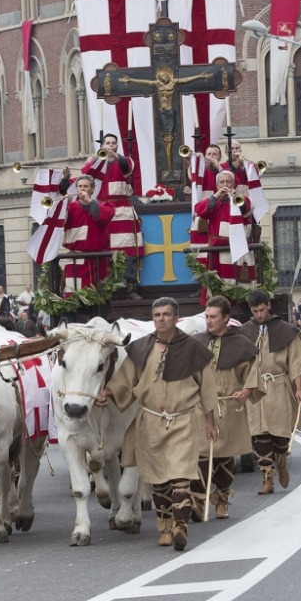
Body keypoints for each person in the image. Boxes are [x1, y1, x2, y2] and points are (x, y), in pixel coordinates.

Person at [97, 297, 218, 552]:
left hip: (184, 420)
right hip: (150, 421)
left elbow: (207, 389)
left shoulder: (194, 350)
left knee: (181, 478)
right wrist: (108, 393)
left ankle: (180, 527)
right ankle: (164, 523)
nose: (161, 319)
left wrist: (210, 422)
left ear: (176, 318)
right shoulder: (141, 348)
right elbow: (124, 380)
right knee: (159, 481)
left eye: (166, 315)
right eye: (157, 315)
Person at [190, 295, 261, 520]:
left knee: (224, 455)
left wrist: (247, 391)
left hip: (229, 405)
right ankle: (198, 500)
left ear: (226, 318)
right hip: (202, 409)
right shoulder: (196, 342)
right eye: (207, 317)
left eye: (213, 317)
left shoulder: (241, 344)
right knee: (200, 454)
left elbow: (253, 372)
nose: (208, 321)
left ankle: (221, 499)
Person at [240, 290, 301, 494]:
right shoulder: (245, 332)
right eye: (255, 311)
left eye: (262, 310)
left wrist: (299, 389)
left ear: (268, 306)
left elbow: (296, 362)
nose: (259, 314)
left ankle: (281, 460)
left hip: (278, 386)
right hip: (255, 389)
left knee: (280, 435)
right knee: (259, 435)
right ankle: (267, 478)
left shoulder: (285, 330)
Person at [79, 133, 144, 299]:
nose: (110, 146)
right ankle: (107, 290)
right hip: (103, 211)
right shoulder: (97, 163)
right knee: (105, 250)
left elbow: (127, 168)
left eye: (113, 143)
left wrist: (116, 156)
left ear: (117, 146)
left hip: (123, 211)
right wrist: (93, 160)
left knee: (129, 250)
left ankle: (131, 288)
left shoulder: (125, 160)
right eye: (107, 143)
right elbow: (85, 176)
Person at [194, 169, 256, 302]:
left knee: (240, 285)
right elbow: (199, 210)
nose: (225, 185)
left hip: (238, 251)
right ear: (217, 186)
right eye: (221, 182)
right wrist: (216, 196)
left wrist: (235, 197)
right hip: (218, 252)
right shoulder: (213, 201)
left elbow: (248, 207)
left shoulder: (240, 198)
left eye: (228, 182)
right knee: (219, 286)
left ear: (234, 185)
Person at [62, 174, 115, 295]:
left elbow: (105, 216)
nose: (82, 189)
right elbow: (59, 222)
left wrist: (90, 202)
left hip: (96, 262)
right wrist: (64, 206)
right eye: (80, 186)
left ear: (92, 189)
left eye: (86, 186)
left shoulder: (103, 205)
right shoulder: (70, 207)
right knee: (72, 297)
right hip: (75, 261)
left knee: (96, 298)